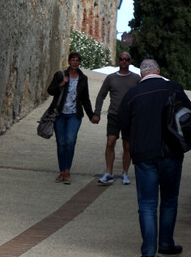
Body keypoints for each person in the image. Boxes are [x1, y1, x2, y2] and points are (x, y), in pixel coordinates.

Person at [117, 59, 191, 257]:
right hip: (172, 153)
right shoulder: (174, 89)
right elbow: (189, 115)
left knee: (147, 204)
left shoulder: (133, 95)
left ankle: (148, 253)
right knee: (169, 201)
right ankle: (166, 246)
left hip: (144, 155)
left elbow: (122, 123)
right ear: (159, 71)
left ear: (142, 74)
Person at [91, 52, 141, 186]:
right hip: (114, 114)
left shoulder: (136, 79)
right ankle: (109, 172)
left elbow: (142, 96)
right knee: (110, 142)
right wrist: (97, 112)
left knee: (127, 146)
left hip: (129, 116)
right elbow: (101, 95)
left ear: (130, 62)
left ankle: (125, 173)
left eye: (126, 59)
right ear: (118, 61)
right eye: (121, 59)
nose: (124, 61)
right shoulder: (111, 78)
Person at [46, 52, 96, 185]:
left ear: (79, 63)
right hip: (60, 114)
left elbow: (85, 99)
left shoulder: (83, 78)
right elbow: (50, 90)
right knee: (61, 143)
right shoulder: (60, 75)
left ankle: (67, 171)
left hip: (74, 114)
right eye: (73, 60)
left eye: (77, 60)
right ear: (69, 62)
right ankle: (61, 171)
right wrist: (61, 84)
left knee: (70, 141)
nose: (75, 62)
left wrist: (91, 115)